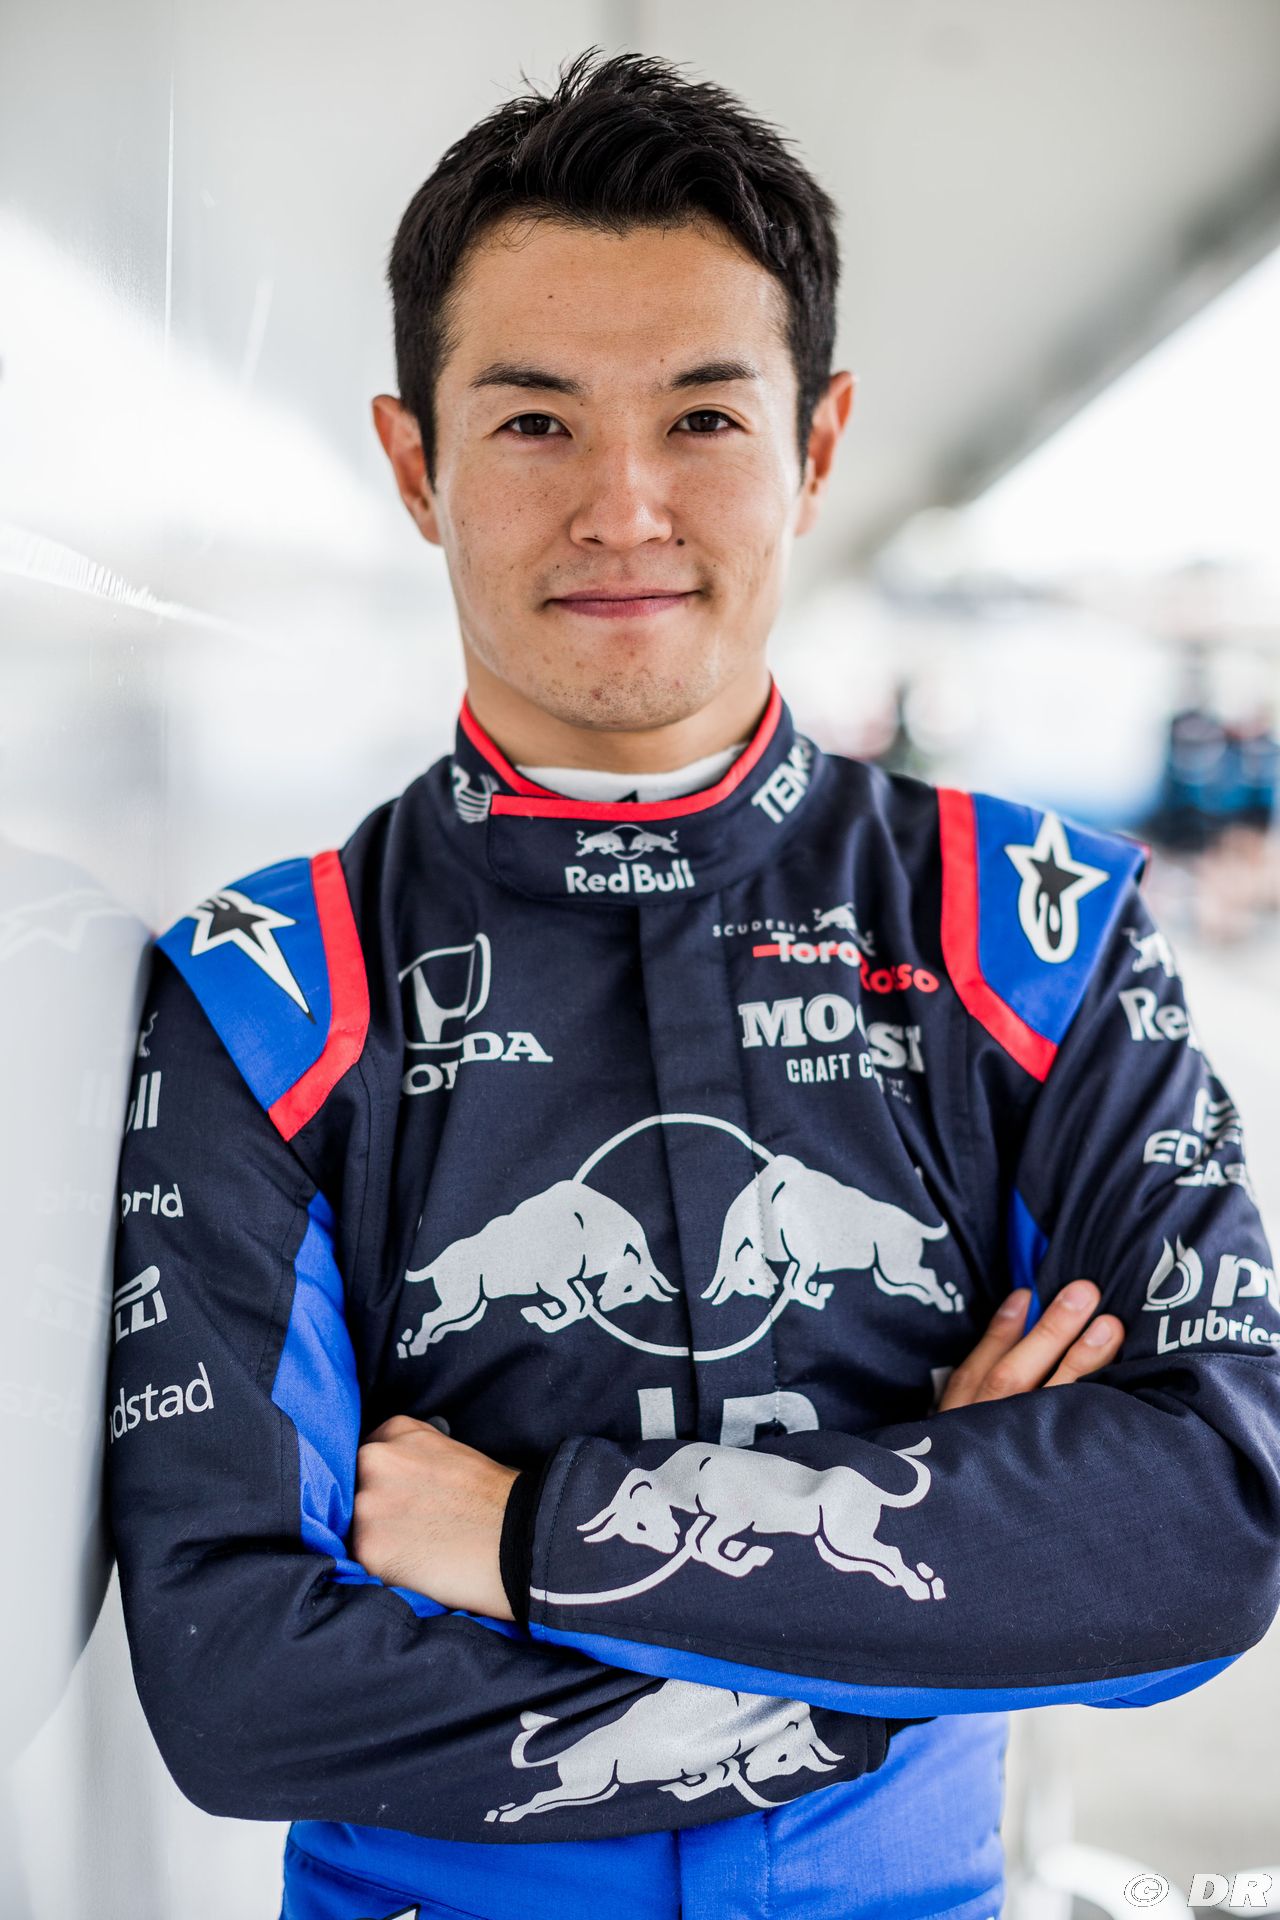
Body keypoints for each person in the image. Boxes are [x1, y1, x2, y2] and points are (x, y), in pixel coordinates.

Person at [106, 47, 1280, 1920]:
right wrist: (916, 1613)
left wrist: (529, 1540)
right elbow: (242, 1690)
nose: (625, 505)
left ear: (817, 448)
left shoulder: (1035, 932)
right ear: (415, 464)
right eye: (535, 421)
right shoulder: (269, 996)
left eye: (705, 417)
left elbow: (1206, 1535)